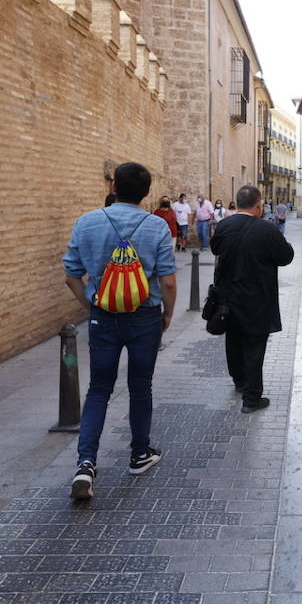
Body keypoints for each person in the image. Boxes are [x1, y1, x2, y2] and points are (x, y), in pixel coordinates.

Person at [63, 162, 177, 501]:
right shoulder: (156, 226)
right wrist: (167, 315)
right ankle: (139, 454)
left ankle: (85, 463)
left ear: (114, 186)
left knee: (99, 388)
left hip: (103, 317)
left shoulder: (87, 222)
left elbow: (71, 274)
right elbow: (168, 281)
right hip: (144, 318)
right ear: (146, 192)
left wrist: (91, 305)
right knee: (140, 386)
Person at [210, 185, 295, 414]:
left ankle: (239, 381)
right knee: (255, 346)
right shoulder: (266, 229)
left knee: (233, 340)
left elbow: (215, 248)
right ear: (258, 205)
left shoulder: (224, 226)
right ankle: (251, 398)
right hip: (257, 298)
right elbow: (286, 257)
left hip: (227, 298)